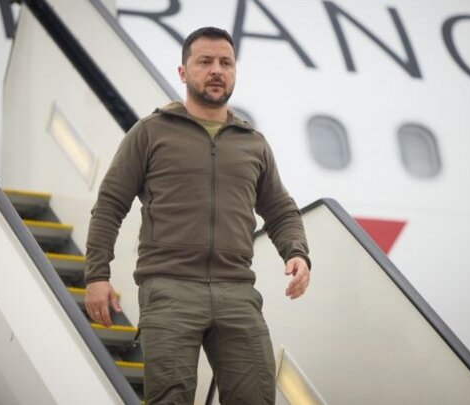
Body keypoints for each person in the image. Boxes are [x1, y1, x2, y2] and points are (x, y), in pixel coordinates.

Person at [84, 26, 311, 405]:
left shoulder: (253, 143)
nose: (217, 70)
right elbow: (110, 204)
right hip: (169, 290)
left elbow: (280, 210)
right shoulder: (150, 132)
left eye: (226, 63)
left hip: (237, 292)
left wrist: (297, 252)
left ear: (235, 72)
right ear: (183, 72)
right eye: (205, 62)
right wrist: (97, 275)